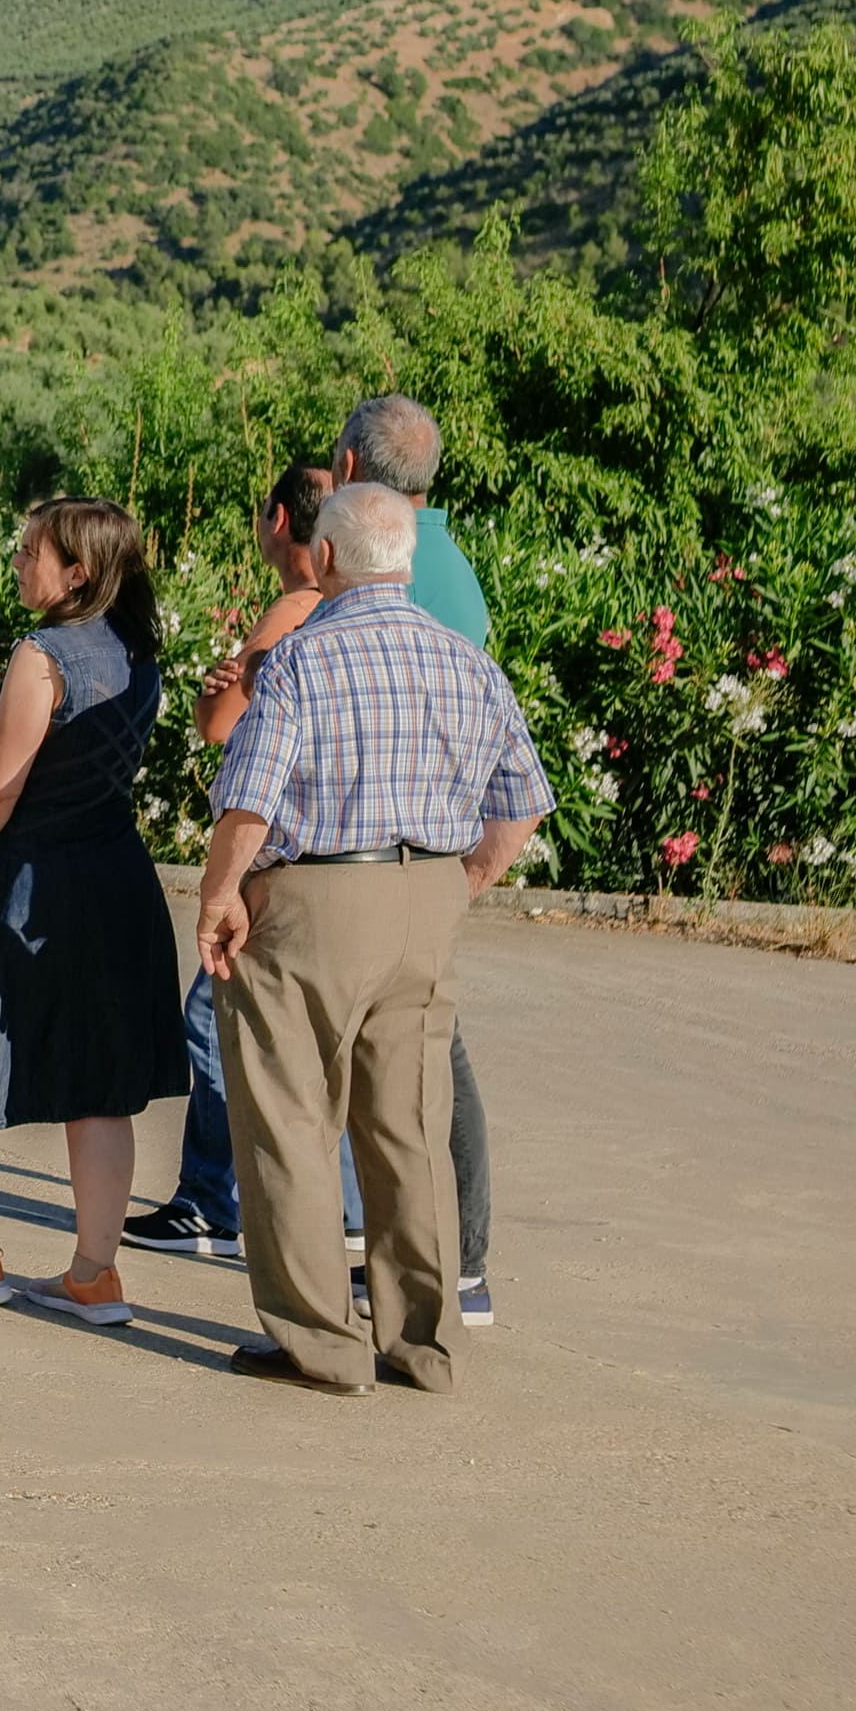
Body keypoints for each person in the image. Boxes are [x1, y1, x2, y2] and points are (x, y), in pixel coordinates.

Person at [199, 482, 552, 1395]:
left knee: (289, 1114)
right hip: (426, 892)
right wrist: (459, 883)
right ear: (401, 560)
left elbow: (249, 800)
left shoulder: (302, 660)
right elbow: (522, 801)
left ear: (325, 557)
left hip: (315, 896)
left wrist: (218, 894)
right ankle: (422, 1339)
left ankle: (321, 1338)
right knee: (408, 1122)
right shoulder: (466, 661)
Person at [0, 498, 192, 1326]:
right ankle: (95, 1272)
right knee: (101, 1087)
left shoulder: (42, 654)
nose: (19, 562)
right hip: (118, 876)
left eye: (32, 552)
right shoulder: (139, 650)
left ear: (77, 571)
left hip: (32, 875)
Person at [125, 461, 333, 1260]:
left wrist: (227, 684)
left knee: (213, 1021)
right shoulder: (351, 603)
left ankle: (212, 1199)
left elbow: (220, 724)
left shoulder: (291, 606)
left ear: (277, 520)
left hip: (272, 847)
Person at [332, 395, 502, 1330]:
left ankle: (461, 1260)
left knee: (437, 1060)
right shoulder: (444, 558)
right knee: (426, 1054)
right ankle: (446, 1259)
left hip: (392, 854)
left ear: (350, 460)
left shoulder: (394, 562)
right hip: (428, 848)